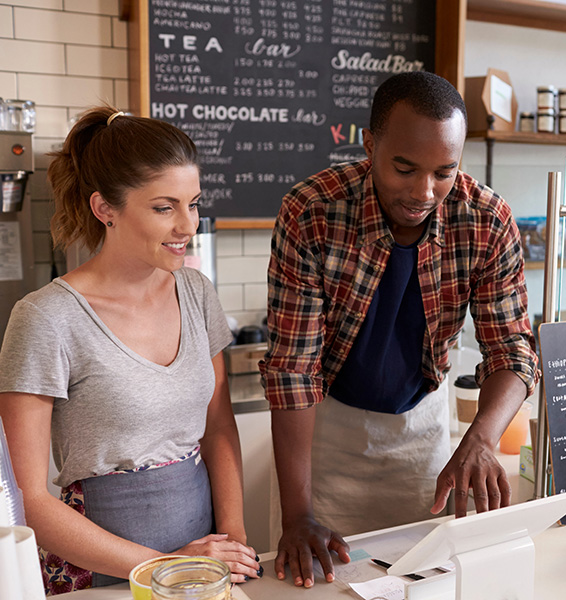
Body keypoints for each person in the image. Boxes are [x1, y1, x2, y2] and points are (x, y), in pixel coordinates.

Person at [260, 71, 538, 588]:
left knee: (421, 585)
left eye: (444, 172)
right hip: (326, 436)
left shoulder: (485, 219)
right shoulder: (313, 210)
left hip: (423, 436)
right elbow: (293, 370)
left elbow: (512, 350)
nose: (423, 191)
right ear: (370, 144)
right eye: (404, 168)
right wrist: (297, 515)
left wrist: (480, 438)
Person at [0, 107, 260, 594]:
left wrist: (234, 542)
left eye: (194, 203)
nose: (188, 224)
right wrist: (163, 566)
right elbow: (28, 498)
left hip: (201, 559)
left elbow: (220, 426)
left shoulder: (197, 292)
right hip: (103, 566)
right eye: (164, 208)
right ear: (105, 209)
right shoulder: (45, 318)